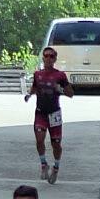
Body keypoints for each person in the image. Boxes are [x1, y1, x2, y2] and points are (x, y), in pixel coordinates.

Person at [26, 46, 73, 184]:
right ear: (42, 58)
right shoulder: (37, 74)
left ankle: (56, 167)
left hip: (54, 113)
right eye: (46, 56)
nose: (48, 58)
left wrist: (61, 90)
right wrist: (29, 94)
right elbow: (34, 87)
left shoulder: (60, 75)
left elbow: (71, 94)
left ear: (55, 59)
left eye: (51, 56)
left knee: (56, 144)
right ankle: (43, 164)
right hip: (40, 112)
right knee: (39, 139)